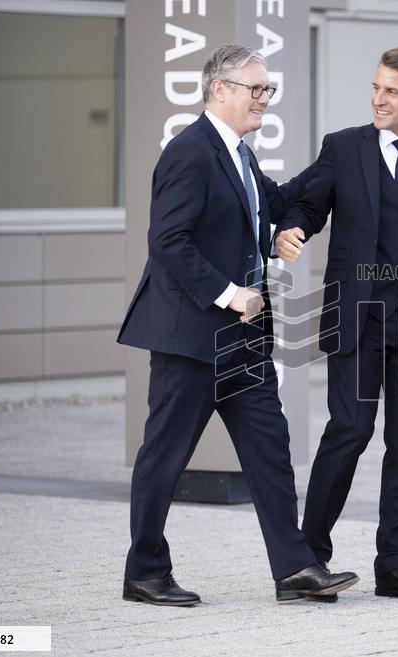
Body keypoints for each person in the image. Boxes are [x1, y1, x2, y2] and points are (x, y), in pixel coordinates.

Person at [117, 44, 358, 606]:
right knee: (166, 456)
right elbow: (167, 242)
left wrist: (336, 164)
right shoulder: (190, 152)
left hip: (243, 340)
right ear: (218, 89)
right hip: (192, 336)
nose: (264, 100)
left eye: (268, 90)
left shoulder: (240, 156)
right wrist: (230, 295)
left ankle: (296, 568)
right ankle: (144, 572)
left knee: (270, 449)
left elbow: (279, 203)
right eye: (256, 89)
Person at [275, 46, 398, 602]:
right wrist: (287, 229)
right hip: (358, 318)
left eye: (391, 90)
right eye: (376, 87)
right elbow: (306, 206)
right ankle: (308, 559)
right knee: (350, 431)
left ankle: (395, 563)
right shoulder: (344, 148)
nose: (377, 99)